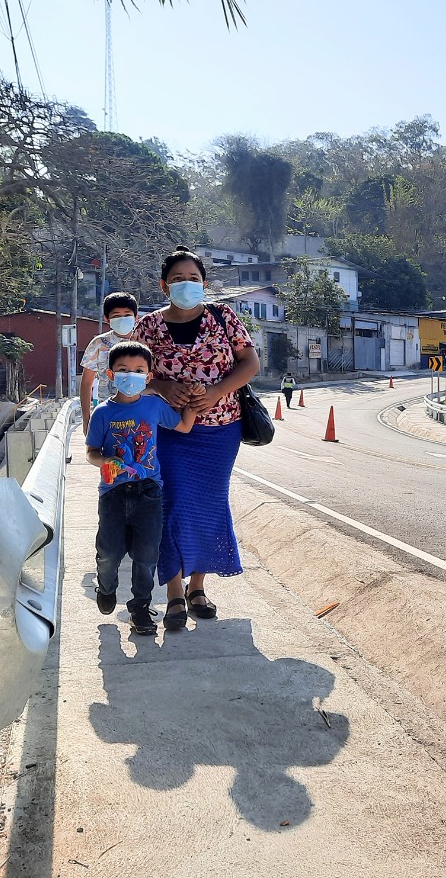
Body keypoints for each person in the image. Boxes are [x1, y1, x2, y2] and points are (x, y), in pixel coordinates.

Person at [133, 246, 260, 631]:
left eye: (193, 279)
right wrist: (160, 385)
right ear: (163, 285)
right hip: (167, 431)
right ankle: (173, 592)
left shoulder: (224, 317)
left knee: (207, 503)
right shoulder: (149, 327)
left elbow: (250, 363)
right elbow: (129, 372)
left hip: (221, 430)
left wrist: (219, 390)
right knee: (170, 504)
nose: (186, 285)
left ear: (204, 283)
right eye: (177, 279)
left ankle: (198, 588)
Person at [86, 340, 198, 635]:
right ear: (111, 375)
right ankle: (106, 586)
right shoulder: (102, 414)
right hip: (113, 494)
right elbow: (91, 452)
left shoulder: (154, 405)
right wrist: (105, 461)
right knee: (108, 552)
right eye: (123, 370)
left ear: (149, 376)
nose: (131, 375)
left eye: (138, 370)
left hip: (149, 491)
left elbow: (183, 426)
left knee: (147, 555)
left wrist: (196, 403)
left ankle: (140, 608)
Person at [80, 291, 141, 434]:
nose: (122, 318)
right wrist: (86, 419)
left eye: (127, 314)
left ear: (136, 316)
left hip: (141, 414)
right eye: (116, 316)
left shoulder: (146, 340)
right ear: (107, 319)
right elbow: (86, 383)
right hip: (108, 413)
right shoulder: (98, 343)